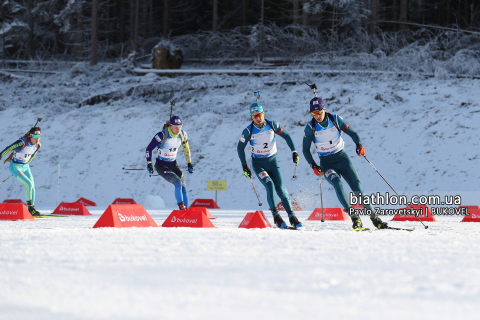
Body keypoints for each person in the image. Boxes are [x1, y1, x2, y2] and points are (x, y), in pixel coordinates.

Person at [302, 97, 389, 229]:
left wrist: (359, 144)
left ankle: (376, 219)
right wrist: (313, 165)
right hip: (326, 163)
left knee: (358, 190)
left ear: (324, 109)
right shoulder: (310, 128)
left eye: (319, 112)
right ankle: (355, 219)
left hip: (343, 158)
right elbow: (305, 149)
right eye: (314, 114)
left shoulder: (336, 119)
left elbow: (353, 133)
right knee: (337, 183)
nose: (317, 116)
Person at [237, 102, 302, 229]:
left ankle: (292, 217)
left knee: (281, 189)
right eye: (255, 116)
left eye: (259, 115)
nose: (258, 118)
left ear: (263, 114)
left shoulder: (272, 125)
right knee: (270, 185)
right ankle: (276, 216)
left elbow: (287, 136)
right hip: (258, 164)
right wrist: (244, 165)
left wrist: (294, 151)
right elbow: (240, 148)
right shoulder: (248, 131)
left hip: (273, 162)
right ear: (252, 117)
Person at [145, 116, 194, 210]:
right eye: (176, 127)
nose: (178, 129)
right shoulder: (161, 135)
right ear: (170, 126)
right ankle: (181, 207)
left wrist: (189, 163)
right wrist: (149, 164)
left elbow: (186, 149)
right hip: (161, 165)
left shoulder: (183, 134)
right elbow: (149, 149)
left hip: (173, 164)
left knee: (183, 186)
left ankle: (186, 211)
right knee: (177, 182)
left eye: (180, 127)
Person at [0, 127, 42, 216]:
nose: (37, 139)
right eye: (35, 136)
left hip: (25, 167)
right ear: (30, 136)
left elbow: (32, 156)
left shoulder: (38, 145)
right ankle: (30, 207)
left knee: (33, 187)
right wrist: (1, 156)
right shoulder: (22, 142)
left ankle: (32, 209)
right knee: (29, 184)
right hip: (15, 166)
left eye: (39, 136)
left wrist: (26, 164)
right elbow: (9, 148)